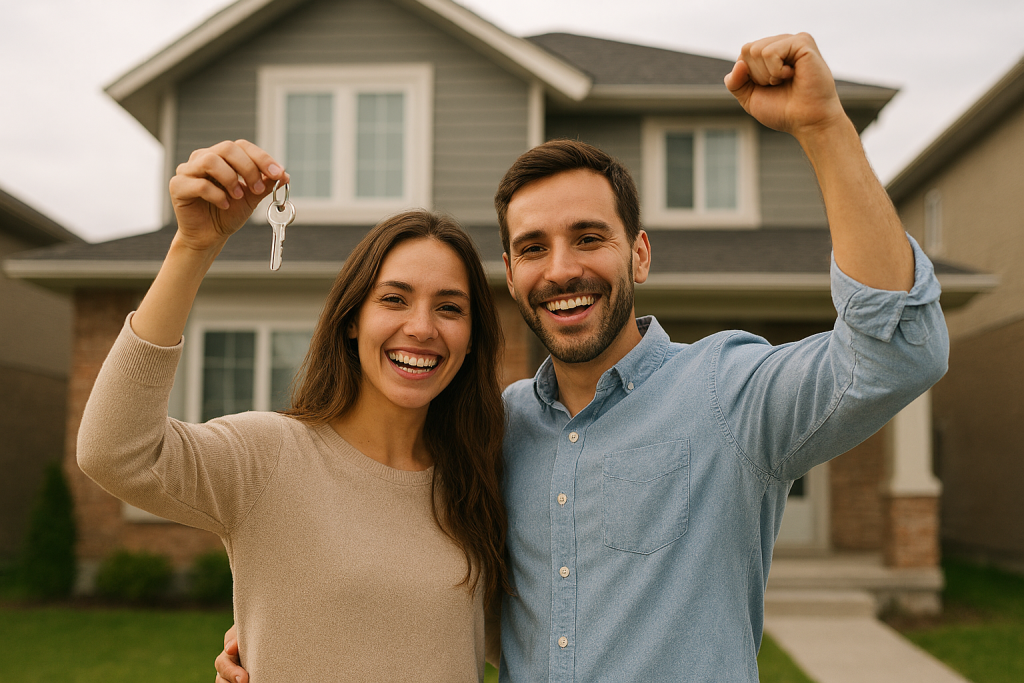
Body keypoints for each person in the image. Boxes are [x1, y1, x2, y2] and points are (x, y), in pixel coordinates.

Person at [215, 33, 949, 682]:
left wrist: (823, 129)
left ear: (639, 254)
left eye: (589, 237)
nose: (561, 268)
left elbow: (897, 352)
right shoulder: (489, 429)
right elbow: (449, 600)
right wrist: (287, 636)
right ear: (511, 271)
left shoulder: (729, 393)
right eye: (534, 248)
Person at [77, 141, 509, 682]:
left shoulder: (478, 480)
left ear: (471, 339)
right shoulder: (269, 455)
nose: (422, 327)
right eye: (394, 299)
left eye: (449, 308)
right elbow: (114, 452)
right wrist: (193, 246)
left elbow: (530, 638)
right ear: (352, 320)